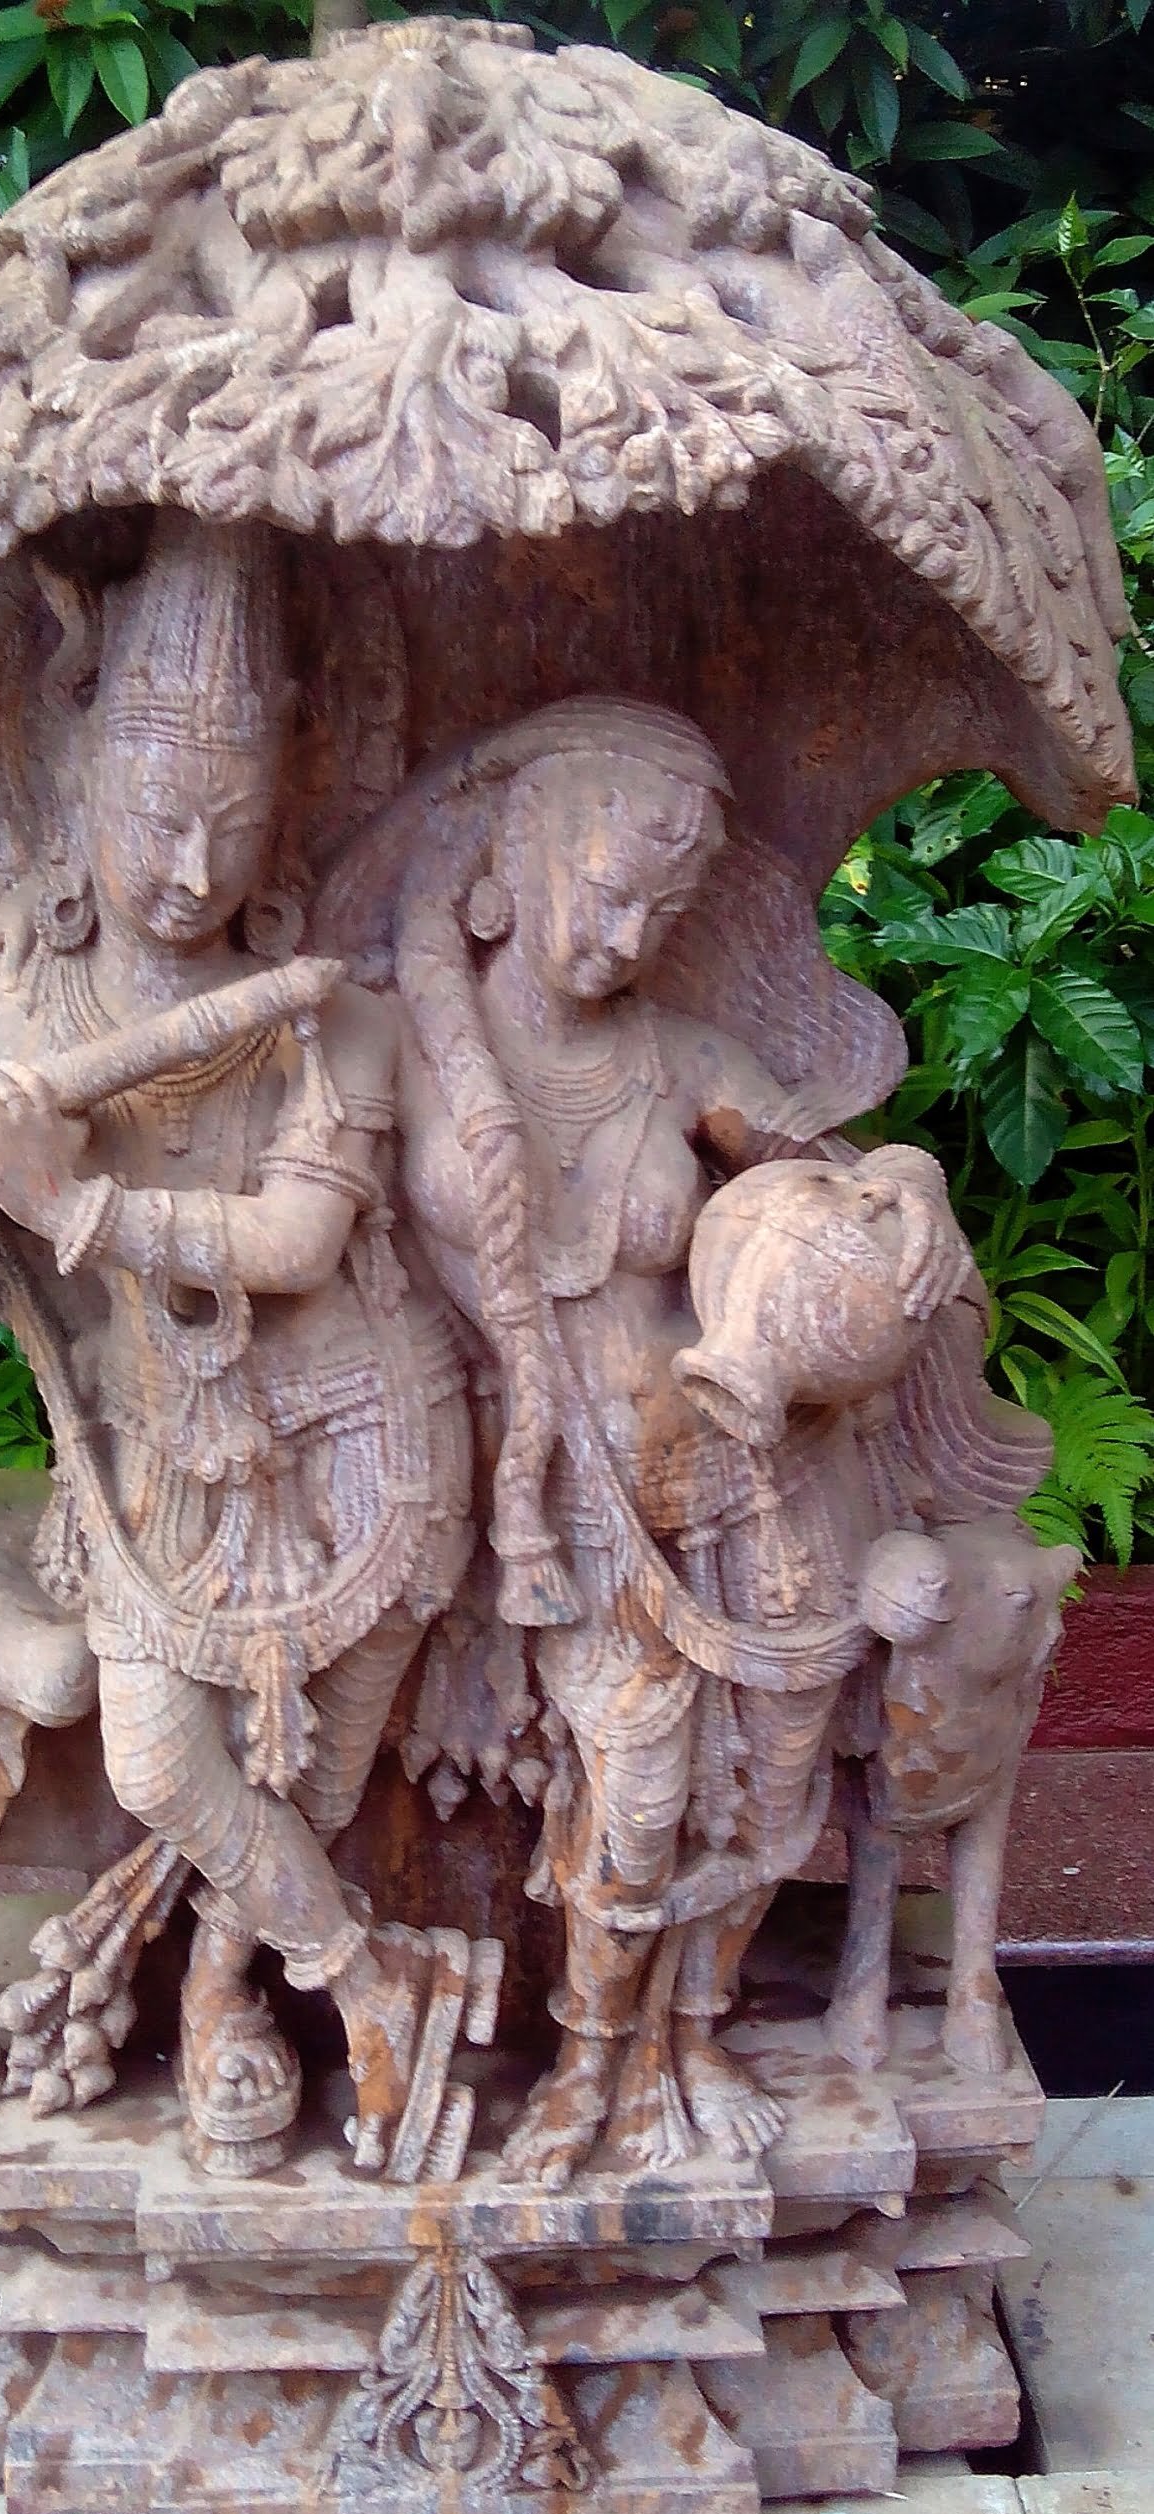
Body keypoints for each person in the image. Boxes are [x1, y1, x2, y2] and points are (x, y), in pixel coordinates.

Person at [0, 514, 474, 2178]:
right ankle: (362, 1975)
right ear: (77, 783)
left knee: (309, 1779)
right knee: (164, 1762)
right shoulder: (3, 1018)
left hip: (369, 1447)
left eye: (229, 827)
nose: (187, 867)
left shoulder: (328, 1015)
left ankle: (228, 1993)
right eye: (154, 818)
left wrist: (80, 1204)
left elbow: (298, 1246)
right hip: (149, 1461)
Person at [394, 701, 860, 2183]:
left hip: (733, 1469)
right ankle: (593, 2064)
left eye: (661, 914)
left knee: (775, 1771)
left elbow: (826, 1176)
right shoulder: (408, 1044)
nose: (625, 940)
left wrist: (882, 1224)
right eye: (605, 896)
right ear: (519, 854)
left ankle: (696, 2030)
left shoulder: (679, 1056)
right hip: (551, 1492)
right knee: (643, 1784)